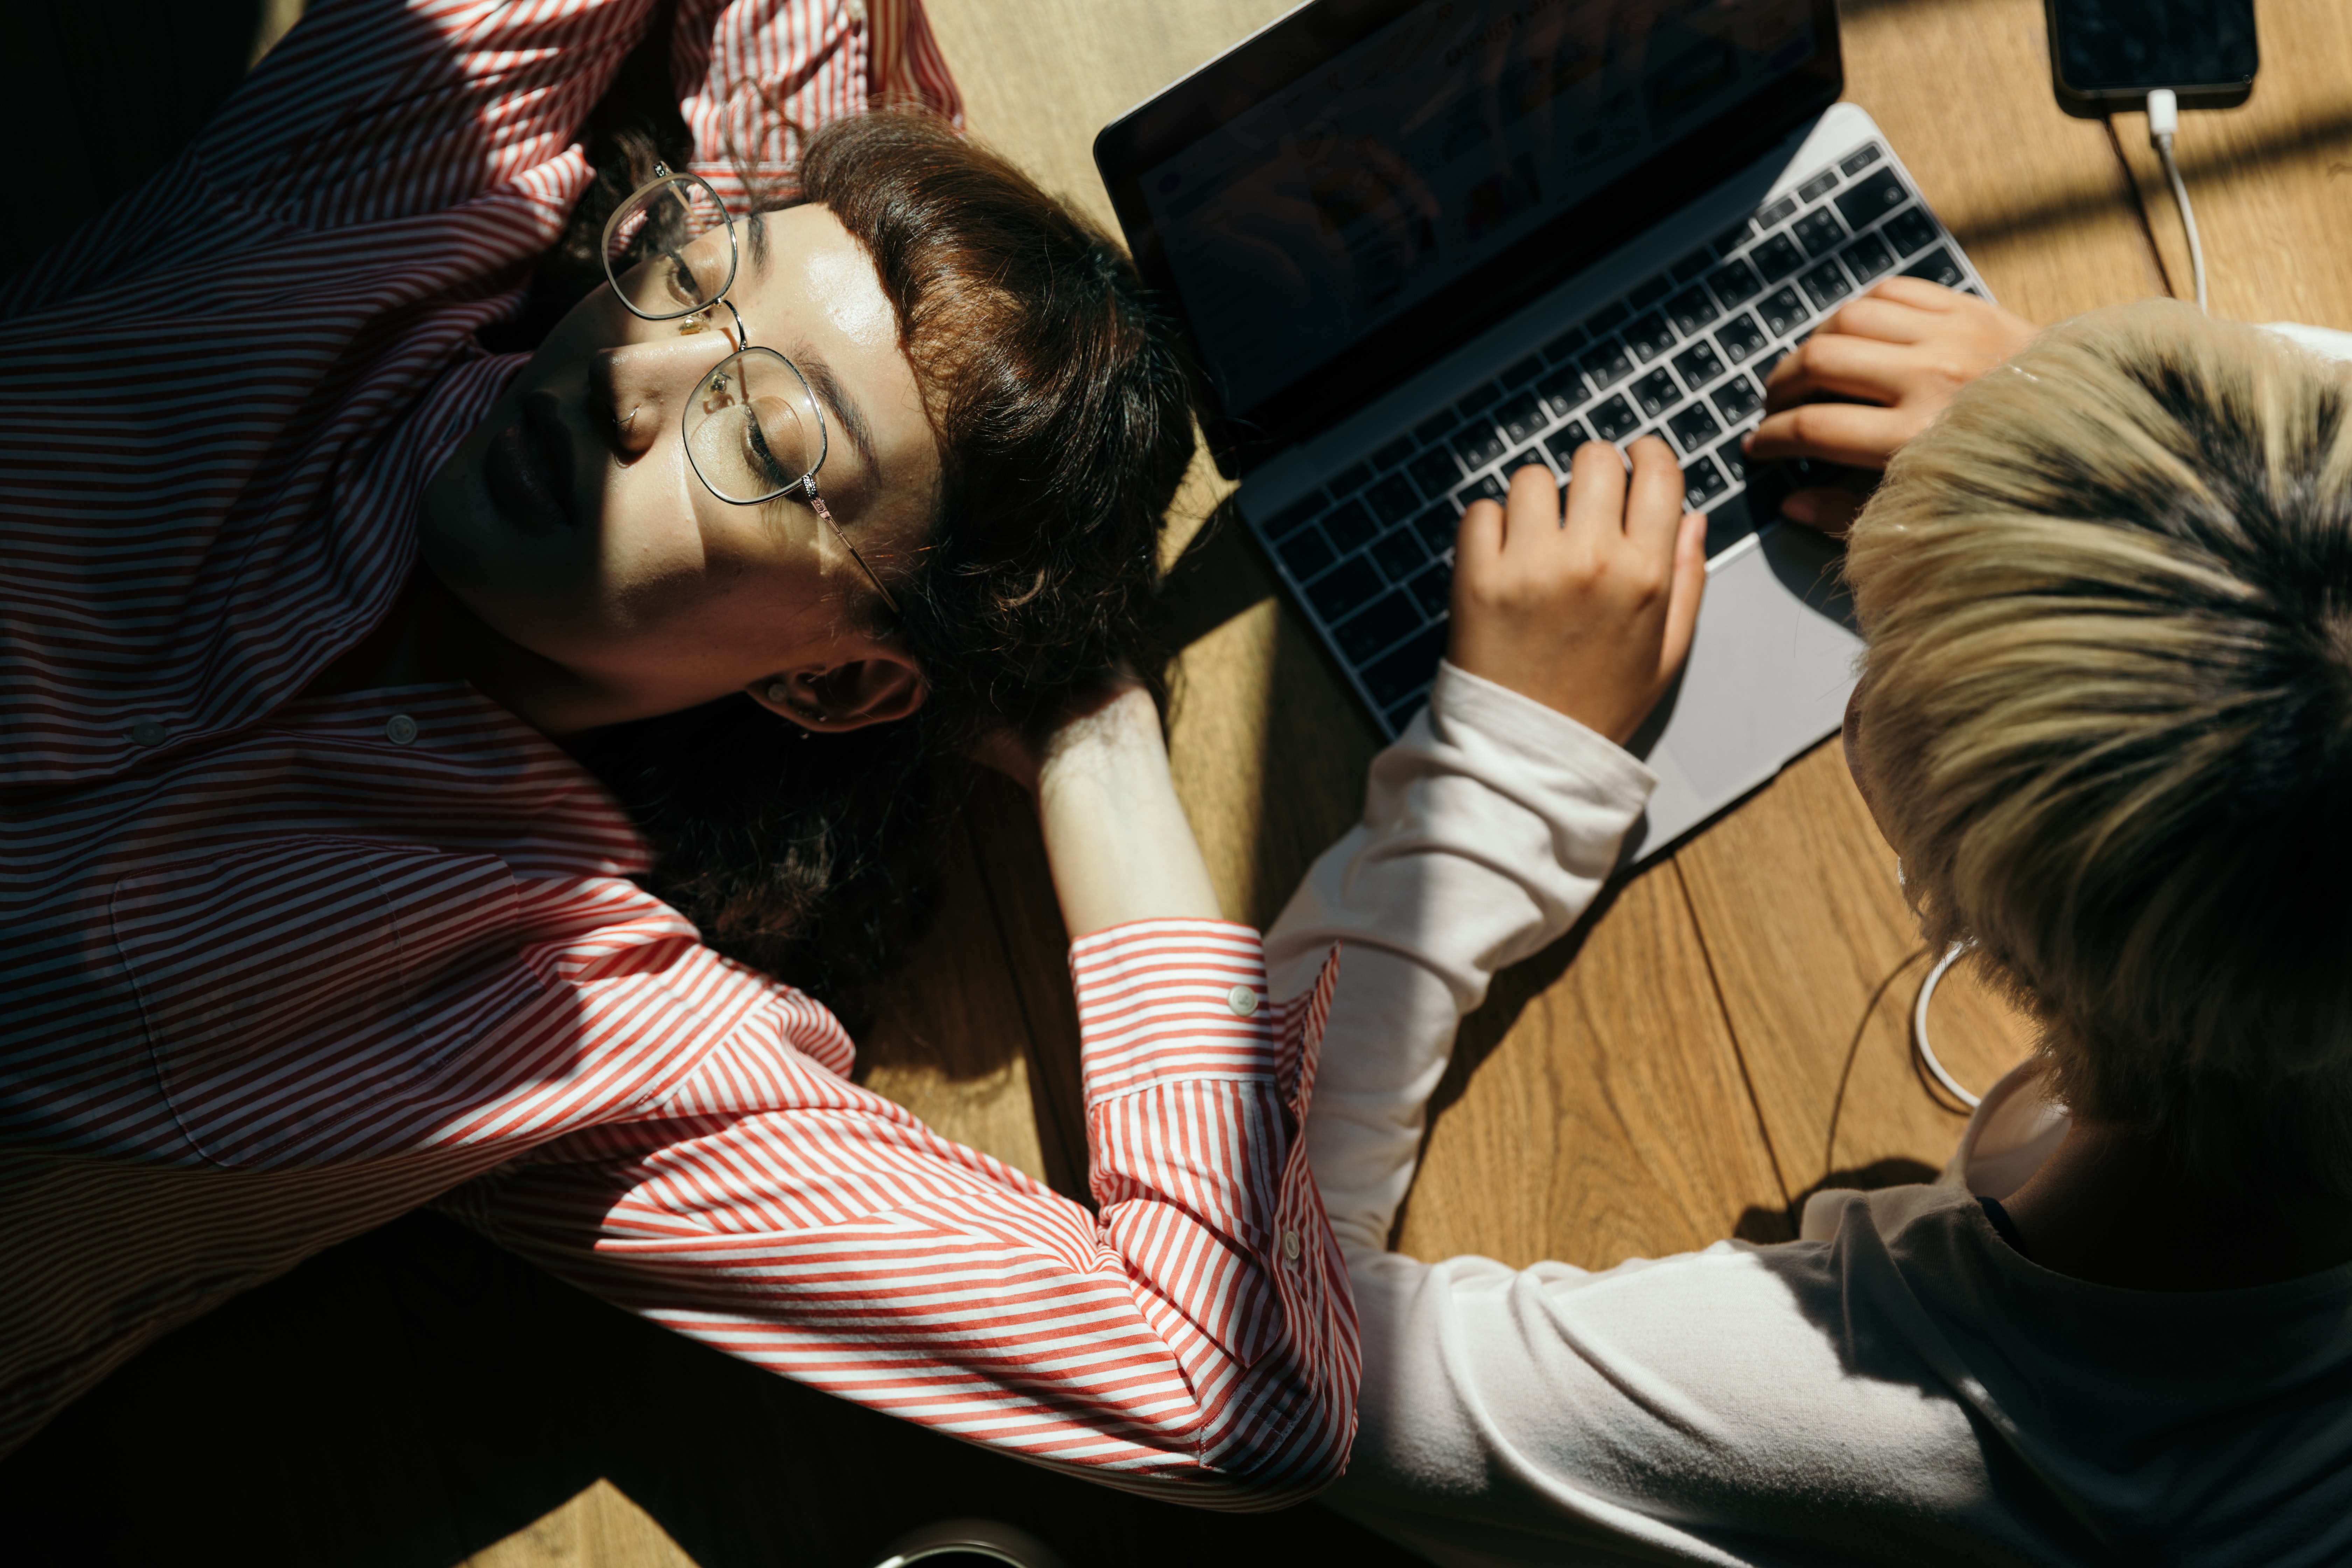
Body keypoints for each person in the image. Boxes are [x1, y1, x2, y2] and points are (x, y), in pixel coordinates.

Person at [0, 0, 1357, 1503]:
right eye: (692, 270)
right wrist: (809, 212)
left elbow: (1229, 1382)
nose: (633, 378)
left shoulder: (578, 1015)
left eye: (768, 446)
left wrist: (1092, 730)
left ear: (838, 685)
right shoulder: (388, 205)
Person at [1272, 281, 2352, 1562]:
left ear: (1939, 868)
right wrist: (2102, 439)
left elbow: (1270, 1360)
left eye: (1874, 655)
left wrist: (1508, 768)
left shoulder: (1910, 1415)